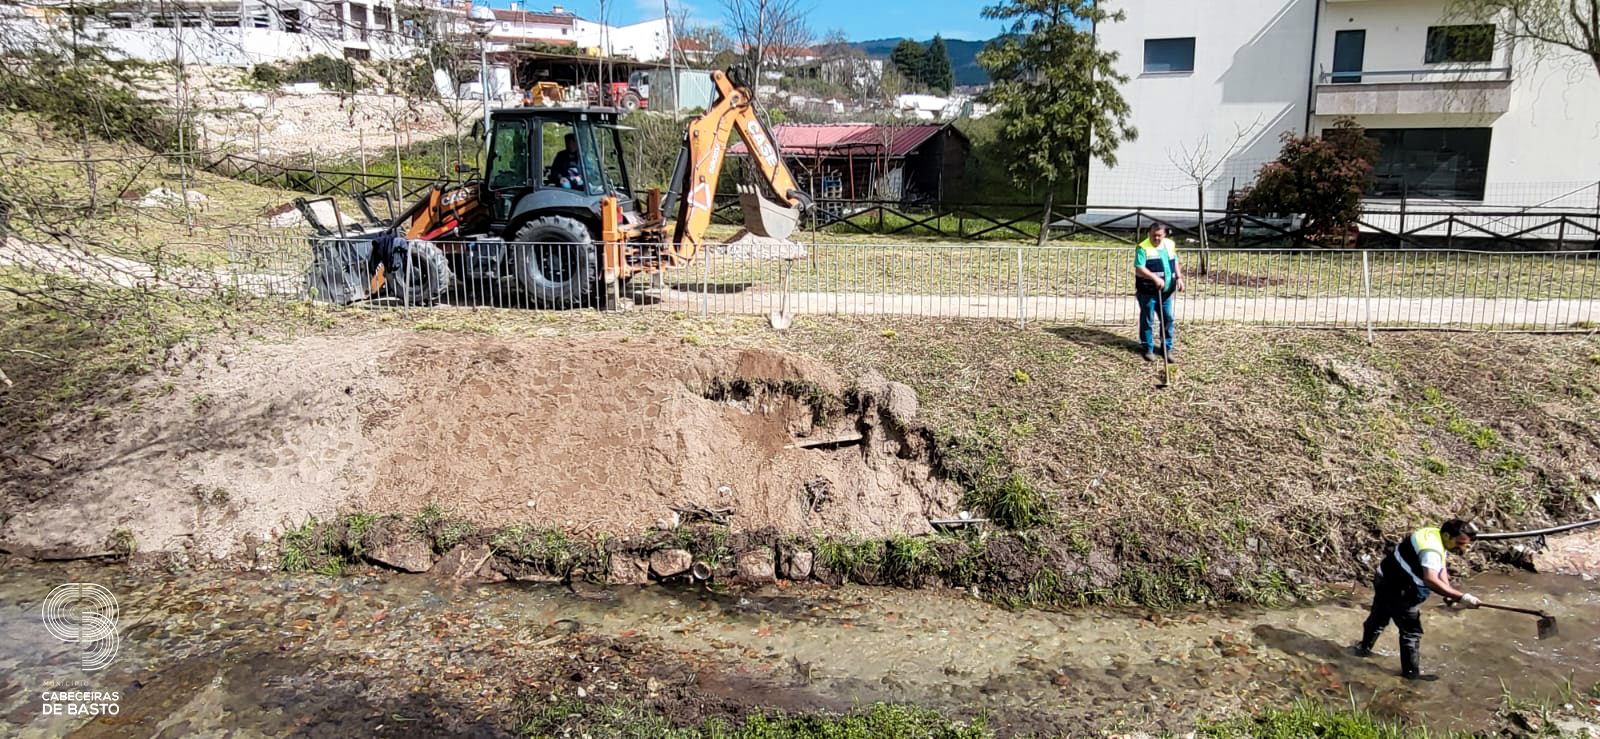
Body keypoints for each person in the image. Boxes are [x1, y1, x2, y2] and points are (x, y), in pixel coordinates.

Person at [1351, 518, 1481, 680]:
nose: (1462, 548)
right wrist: (1461, 597)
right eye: (1460, 543)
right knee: (1411, 632)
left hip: (1385, 576)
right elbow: (1431, 579)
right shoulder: (1431, 550)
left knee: (1379, 618)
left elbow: (1440, 567)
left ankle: (1362, 649)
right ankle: (1411, 675)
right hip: (1400, 589)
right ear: (1447, 536)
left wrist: (1448, 592)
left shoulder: (1434, 534)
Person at [1133, 224, 1183, 362]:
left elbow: (1175, 261)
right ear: (1149, 233)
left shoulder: (1170, 245)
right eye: (1153, 235)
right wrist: (1154, 278)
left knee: (1168, 319)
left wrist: (1179, 277)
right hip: (1148, 291)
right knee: (1148, 319)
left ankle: (1167, 349)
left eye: (1159, 235)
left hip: (1166, 291)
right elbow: (1139, 268)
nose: (1156, 238)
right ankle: (1147, 348)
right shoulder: (1143, 247)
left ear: (1164, 234)